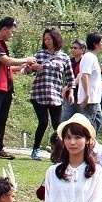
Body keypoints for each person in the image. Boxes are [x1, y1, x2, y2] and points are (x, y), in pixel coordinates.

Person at [0, 17, 38, 161]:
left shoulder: (2, 44)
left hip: (6, 87)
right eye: (12, 31)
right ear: (4, 29)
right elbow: (6, 61)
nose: (12, 34)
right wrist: (26, 59)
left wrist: (22, 68)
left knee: (2, 119)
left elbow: (7, 67)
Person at [28, 27, 72, 160]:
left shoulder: (64, 57)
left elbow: (70, 78)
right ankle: (35, 149)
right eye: (45, 39)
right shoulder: (39, 55)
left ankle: (61, 151)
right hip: (39, 93)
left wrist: (70, 93)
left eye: (49, 39)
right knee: (43, 122)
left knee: (57, 124)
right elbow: (26, 69)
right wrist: (32, 68)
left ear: (55, 39)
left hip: (55, 96)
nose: (47, 41)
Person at [76, 33, 102, 138]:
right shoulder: (89, 57)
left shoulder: (93, 57)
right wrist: (87, 95)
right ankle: (83, 144)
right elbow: (84, 76)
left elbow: (91, 78)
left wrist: (101, 84)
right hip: (90, 99)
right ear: (95, 44)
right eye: (101, 42)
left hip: (95, 98)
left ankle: (89, 143)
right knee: (88, 123)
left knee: (99, 122)